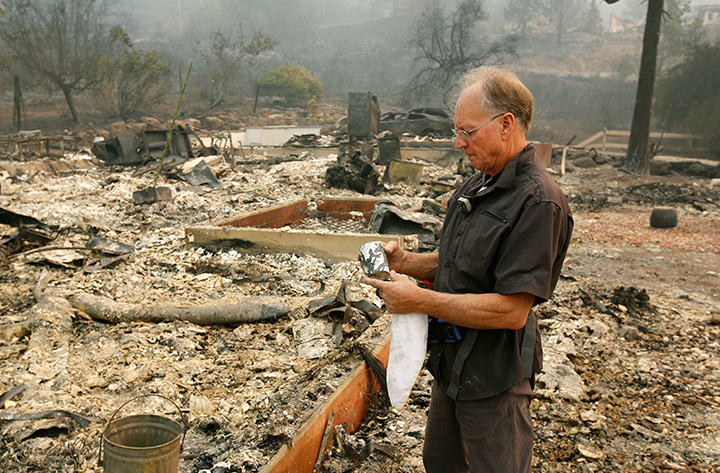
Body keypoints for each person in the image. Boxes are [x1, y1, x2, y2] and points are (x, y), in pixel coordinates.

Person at [362, 66, 573, 473]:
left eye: (468, 131)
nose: (459, 142)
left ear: (506, 124)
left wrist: (418, 299)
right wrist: (406, 263)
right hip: (452, 368)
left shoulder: (539, 203)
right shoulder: (478, 184)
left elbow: (512, 310)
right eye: (456, 131)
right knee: (440, 463)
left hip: (493, 379)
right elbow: (456, 258)